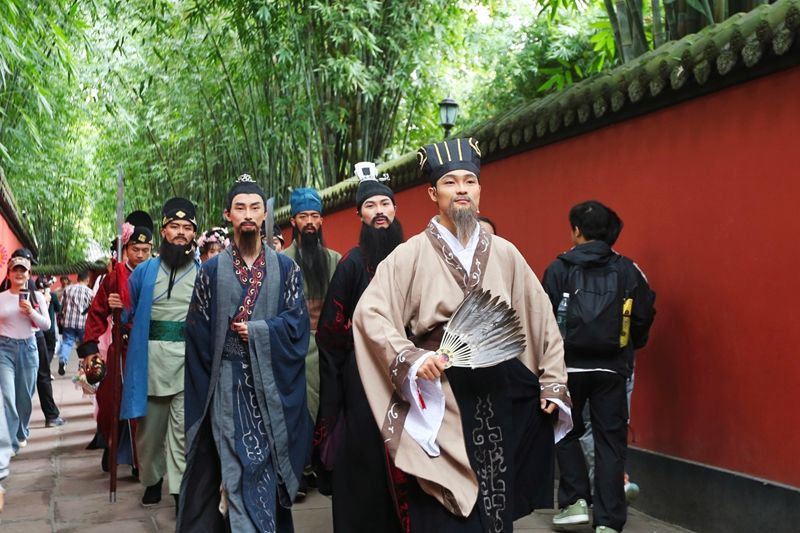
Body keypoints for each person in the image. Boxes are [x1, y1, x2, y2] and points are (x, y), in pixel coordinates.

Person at [352, 138, 572, 532]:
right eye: (450, 182)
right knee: (443, 506)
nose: (462, 190)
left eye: (469, 181)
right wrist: (413, 358)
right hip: (441, 391)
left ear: (480, 191)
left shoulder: (504, 252)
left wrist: (553, 378)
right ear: (433, 194)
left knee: (496, 499)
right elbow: (371, 313)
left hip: (499, 387)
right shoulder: (410, 254)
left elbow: (540, 316)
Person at [178, 174, 311, 532]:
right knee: (235, 470)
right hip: (227, 383)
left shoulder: (286, 268)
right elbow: (197, 335)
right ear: (228, 215)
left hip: (271, 389)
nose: (248, 215)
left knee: (266, 468)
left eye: (255, 207)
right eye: (240, 208)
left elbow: (298, 325)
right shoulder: (210, 271)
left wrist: (261, 331)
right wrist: (203, 395)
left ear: (266, 215)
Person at [542, 200, 655, 533]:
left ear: (576, 231)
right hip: (612, 370)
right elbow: (644, 315)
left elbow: (542, 318)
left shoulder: (558, 268)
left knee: (563, 429)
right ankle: (608, 522)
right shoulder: (628, 270)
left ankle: (575, 501)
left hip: (567, 367)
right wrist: (628, 347)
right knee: (610, 441)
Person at [314, 162, 405, 531]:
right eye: (371, 206)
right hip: (362, 378)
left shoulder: (412, 258)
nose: (379, 211)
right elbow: (329, 333)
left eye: (385, 204)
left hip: (410, 374)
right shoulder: (351, 264)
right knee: (365, 457)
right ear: (360, 215)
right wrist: (337, 391)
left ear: (395, 209)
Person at [120, 198, 199, 508]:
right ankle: (152, 480)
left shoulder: (203, 272)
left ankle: (179, 489)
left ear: (194, 233)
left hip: (187, 359)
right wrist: (117, 309)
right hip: (151, 359)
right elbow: (129, 310)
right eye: (174, 226)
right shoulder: (143, 272)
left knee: (182, 430)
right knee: (150, 431)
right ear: (164, 231)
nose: (180, 232)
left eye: (186, 227)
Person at [77, 213, 154, 474]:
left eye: (145, 250)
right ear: (126, 249)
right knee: (111, 402)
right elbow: (97, 312)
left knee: (143, 407)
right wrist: (90, 347)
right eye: (135, 249)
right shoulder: (114, 276)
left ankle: (140, 461)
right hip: (120, 349)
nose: (140, 255)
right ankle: (111, 443)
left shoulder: (158, 274)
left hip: (148, 348)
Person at [282, 187, 340, 493]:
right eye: (303, 216)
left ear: (321, 221)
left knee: (327, 406)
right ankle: (299, 469)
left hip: (328, 344)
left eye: (314, 216)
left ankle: (322, 464)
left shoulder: (335, 260)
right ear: (293, 221)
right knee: (299, 408)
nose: (309, 222)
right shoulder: (280, 261)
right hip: (294, 345)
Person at [0, 253, 50, 452]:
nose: (19, 274)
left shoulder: (36, 297)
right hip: (4, 350)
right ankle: (10, 441)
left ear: (29, 274)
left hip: (29, 349)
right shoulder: (2, 297)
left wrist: (31, 311)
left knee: (24, 398)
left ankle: (21, 432)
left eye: (23, 270)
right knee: (7, 396)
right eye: (15, 270)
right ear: (9, 274)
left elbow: (46, 325)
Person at [34, 277, 64, 427]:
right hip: (27, 338)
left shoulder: (35, 293)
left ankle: (51, 416)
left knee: (41, 374)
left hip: (37, 334)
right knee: (41, 375)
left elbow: (46, 322)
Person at [55, 270, 93, 376]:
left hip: (68, 321)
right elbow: (92, 307)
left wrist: (61, 317)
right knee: (83, 344)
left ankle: (63, 361)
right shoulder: (90, 292)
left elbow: (61, 305)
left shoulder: (68, 289)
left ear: (77, 278)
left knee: (67, 342)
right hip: (83, 322)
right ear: (87, 280)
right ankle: (82, 366)